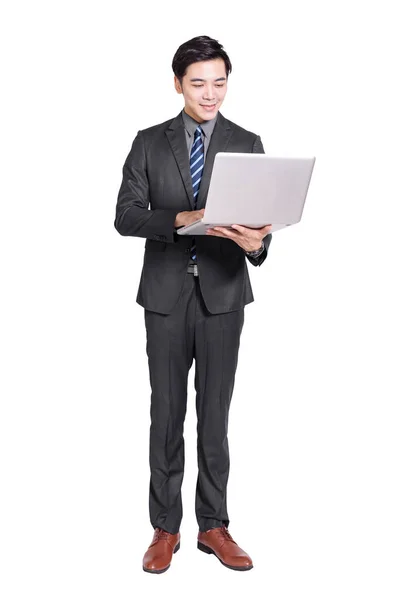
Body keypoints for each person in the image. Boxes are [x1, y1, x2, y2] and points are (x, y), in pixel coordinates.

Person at [114, 35, 273, 574]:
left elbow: (259, 222)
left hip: (224, 293)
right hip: (164, 294)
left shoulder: (247, 142)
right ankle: (165, 528)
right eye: (199, 82)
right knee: (166, 412)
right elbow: (127, 216)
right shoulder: (149, 143)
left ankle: (213, 525)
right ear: (178, 82)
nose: (211, 93)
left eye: (220, 82)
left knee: (215, 414)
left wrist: (258, 245)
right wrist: (181, 218)